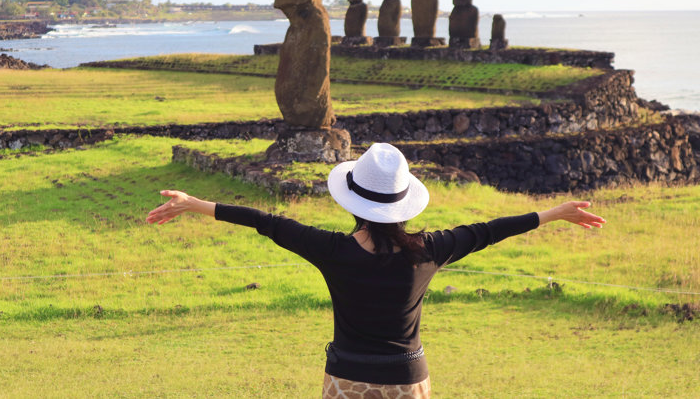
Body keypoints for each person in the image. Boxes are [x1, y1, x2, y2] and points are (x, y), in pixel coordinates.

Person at [146, 143, 605, 398]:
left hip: (347, 378)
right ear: (403, 202)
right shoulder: (429, 250)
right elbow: (490, 230)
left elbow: (265, 222)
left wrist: (193, 205)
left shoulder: (331, 250)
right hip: (408, 379)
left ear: (352, 198)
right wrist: (553, 212)